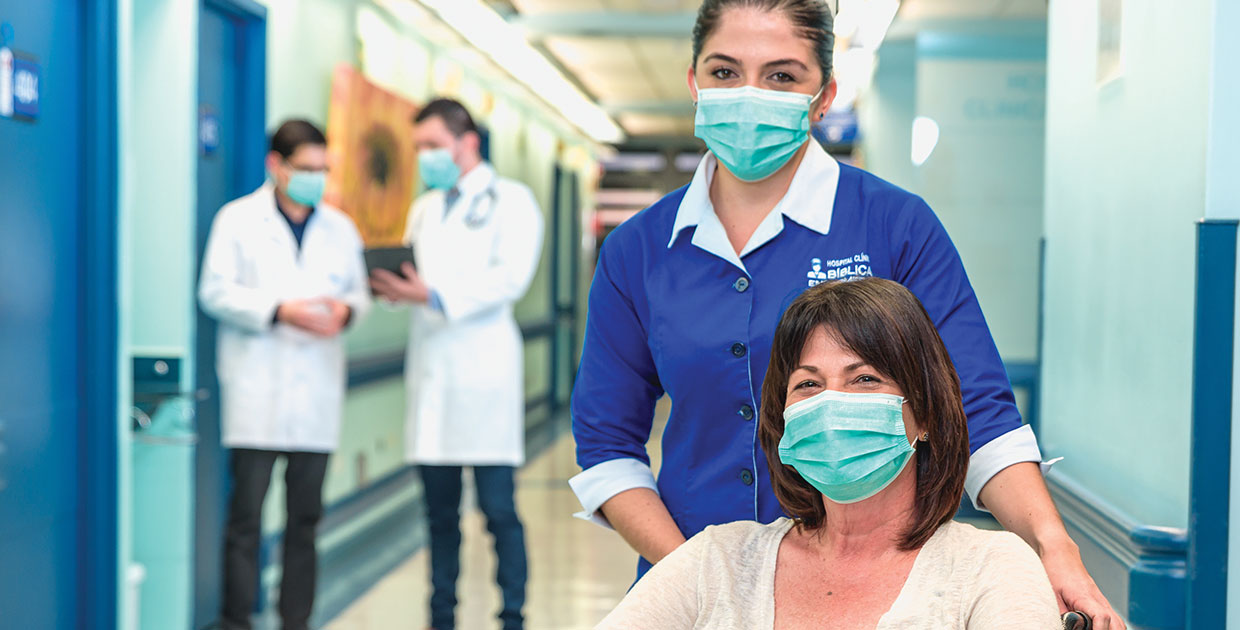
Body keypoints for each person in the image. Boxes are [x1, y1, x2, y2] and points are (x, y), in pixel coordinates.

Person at [569, 1, 1124, 627]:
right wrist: (709, 586)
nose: (749, 93)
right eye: (725, 72)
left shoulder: (893, 225)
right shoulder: (638, 251)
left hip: (880, 583)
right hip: (685, 581)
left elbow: (978, 410)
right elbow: (608, 444)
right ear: (694, 82)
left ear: (824, 94)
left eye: (782, 75)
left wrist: (1054, 546)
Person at [596, 278, 1062, 629]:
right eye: (808, 384)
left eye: (864, 379)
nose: (830, 403)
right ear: (783, 422)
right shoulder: (715, 562)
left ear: (922, 414)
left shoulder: (990, 570)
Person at [370, 98, 544, 630]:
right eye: (419, 147)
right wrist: (401, 291)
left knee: (498, 511)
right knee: (438, 515)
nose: (425, 157)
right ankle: (439, 616)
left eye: (432, 146)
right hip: (433, 375)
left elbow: (510, 278)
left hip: (484, 373)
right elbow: (419, 276)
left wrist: (436, 294)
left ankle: (511, 615)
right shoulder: (424, 208)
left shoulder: (512, 201)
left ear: (467, 142)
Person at [199, 119, 371, 630]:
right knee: (245, 522)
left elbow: (358, 293)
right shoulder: (237, 220)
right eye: (306, 169)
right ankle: (237, 620)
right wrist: (278, 310)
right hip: (256, 391)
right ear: (276, 166)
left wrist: (346, 312)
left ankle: (295, 621)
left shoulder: (340, 228)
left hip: (316, 393)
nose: (316, 179)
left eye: (323, 169)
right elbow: (214, 291)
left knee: (305, 522)